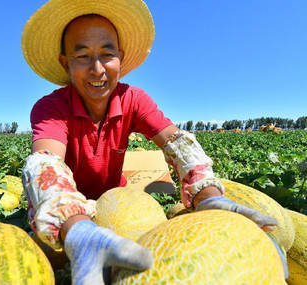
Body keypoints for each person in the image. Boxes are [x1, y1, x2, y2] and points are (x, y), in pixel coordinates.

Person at [21, 1, 286, 284]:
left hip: (116, 206)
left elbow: (178, 144)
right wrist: (79, 233)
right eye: (82, 56)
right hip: (70, 219)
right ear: (65, 62)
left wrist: (209, 197)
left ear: (120, 58)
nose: (97, 69)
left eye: (107, 54)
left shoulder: (133, 99)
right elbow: (46, 162)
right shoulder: (50, 108)